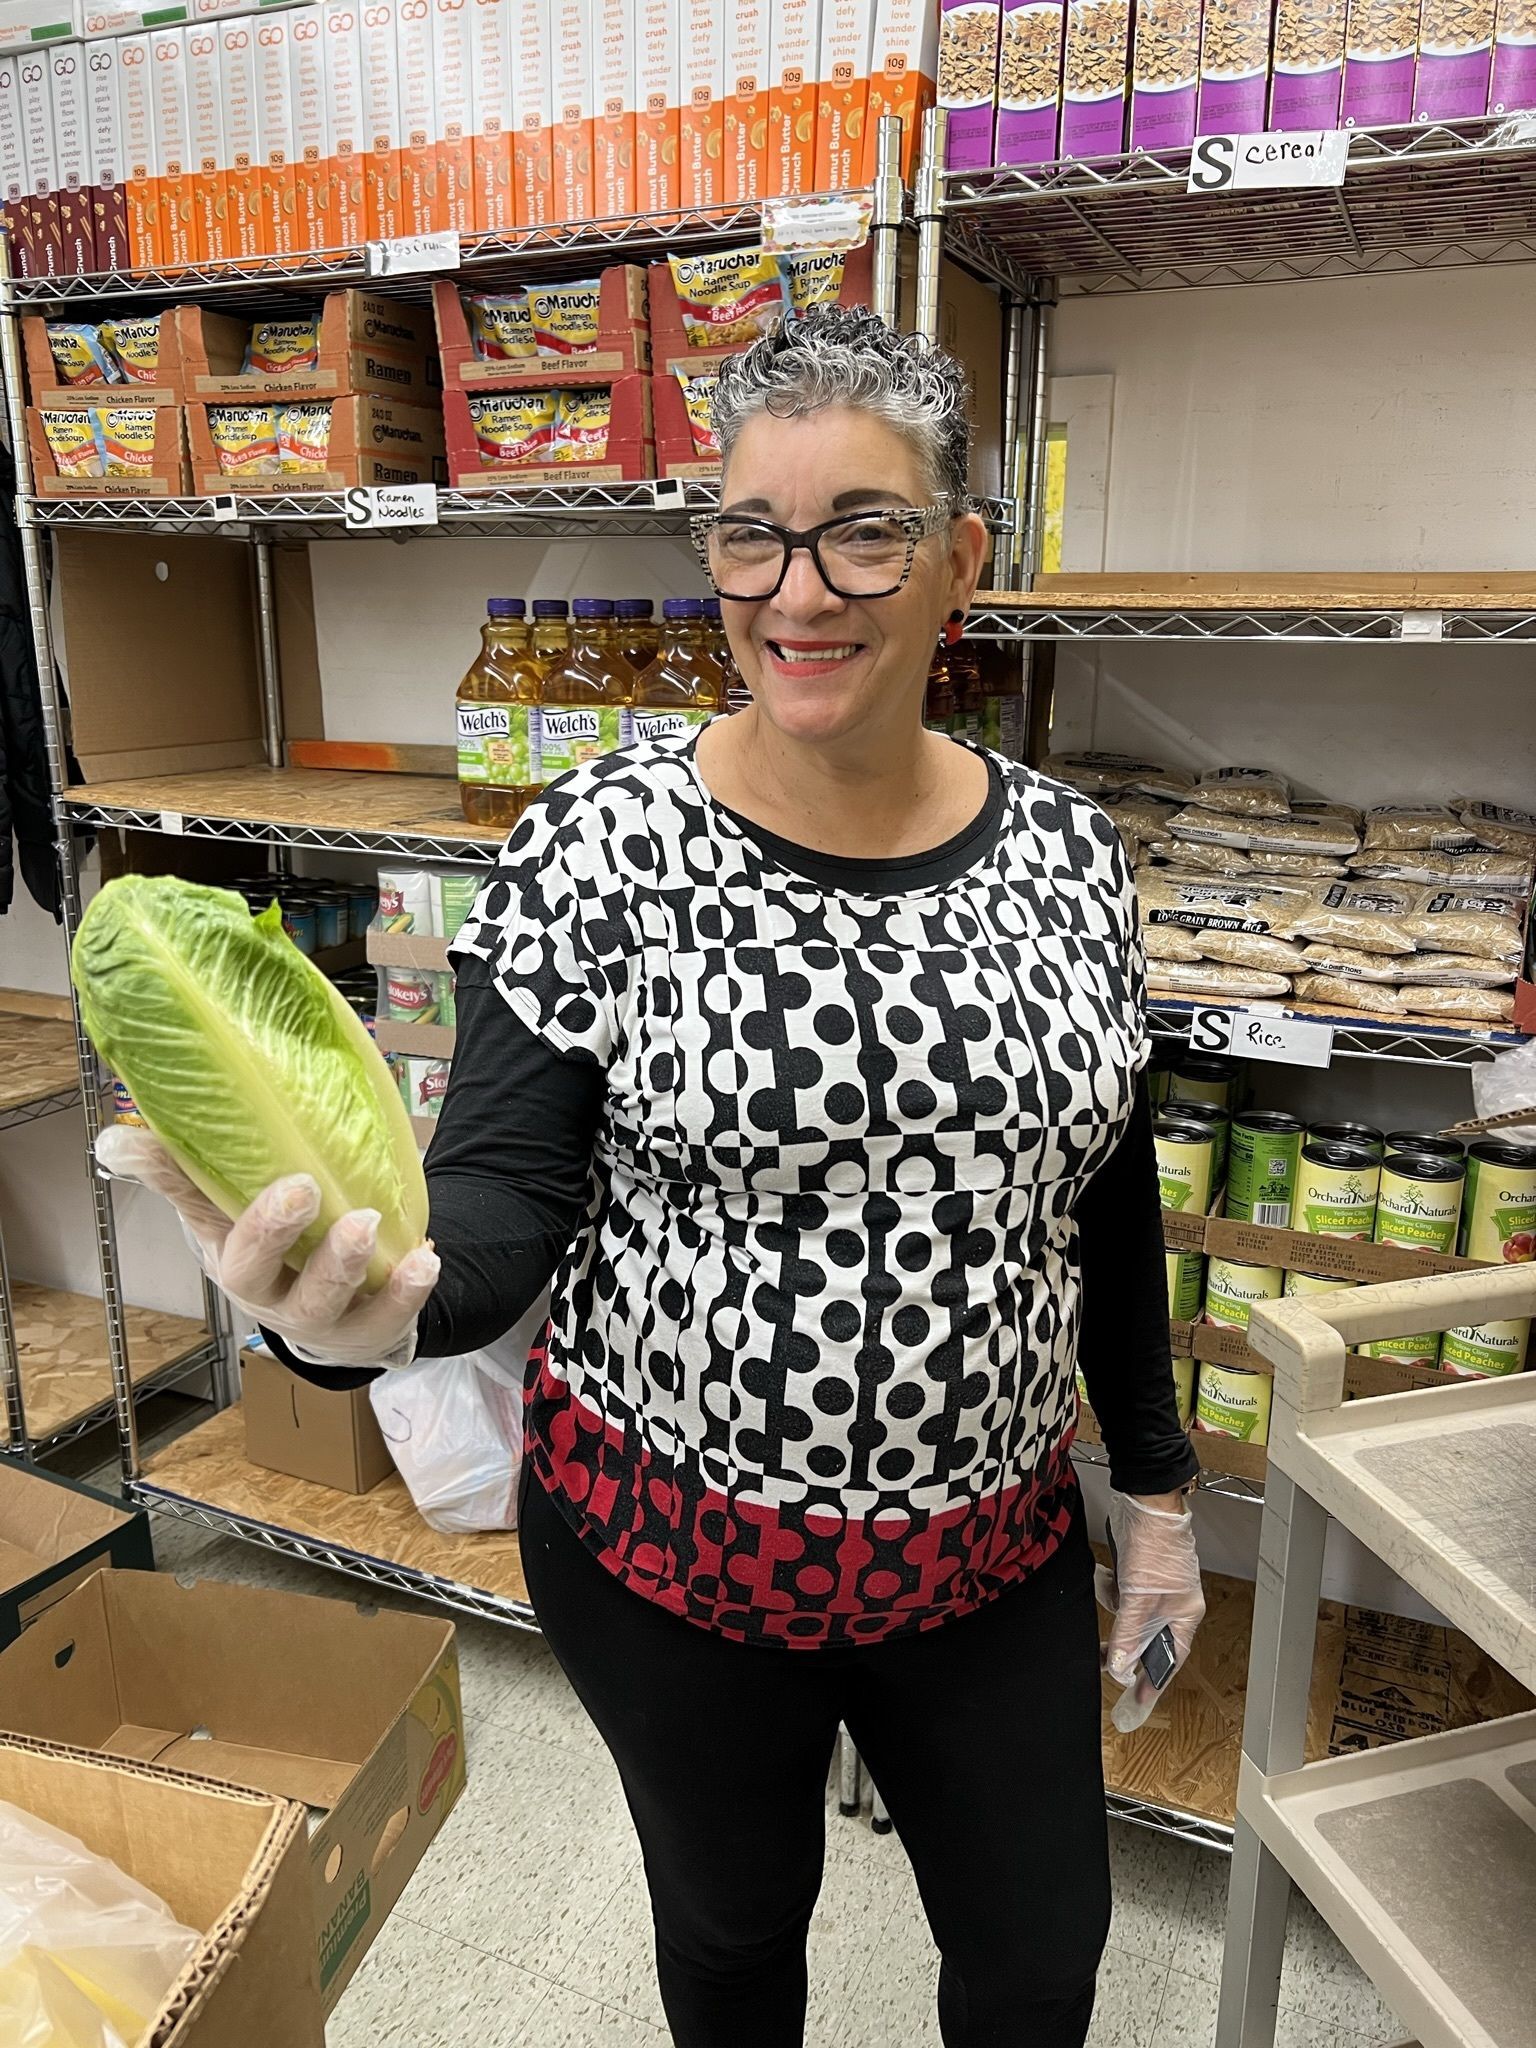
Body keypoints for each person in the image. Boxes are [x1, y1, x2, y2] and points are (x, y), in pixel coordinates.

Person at [101, 307, 1205, 2048]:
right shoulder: (604, 841)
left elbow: (1107, 1197)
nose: (798, 591)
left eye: (862, 527)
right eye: (751, 534)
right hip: (671, 1565)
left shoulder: (1067, 855)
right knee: (736, 1931)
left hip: (986, 1558)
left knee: (1037, 1959)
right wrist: (352, 1315)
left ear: (959, 556)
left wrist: (1153, 1495)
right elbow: (496, 1206)